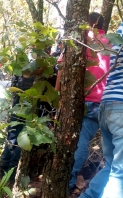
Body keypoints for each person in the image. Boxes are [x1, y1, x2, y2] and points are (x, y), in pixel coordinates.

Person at [55, 12, 110, 193]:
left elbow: (63, 68)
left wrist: (57, 97)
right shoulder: (111, 42)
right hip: (104, 101)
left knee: (78, 141)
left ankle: (67, 183)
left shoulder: (79, 40)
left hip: (82, 99)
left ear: (88, 23)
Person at [79, 22, 123, 198]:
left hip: (107, 105)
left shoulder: (117, 35)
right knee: (120, 172)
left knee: (113, 166)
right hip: (120, 107)